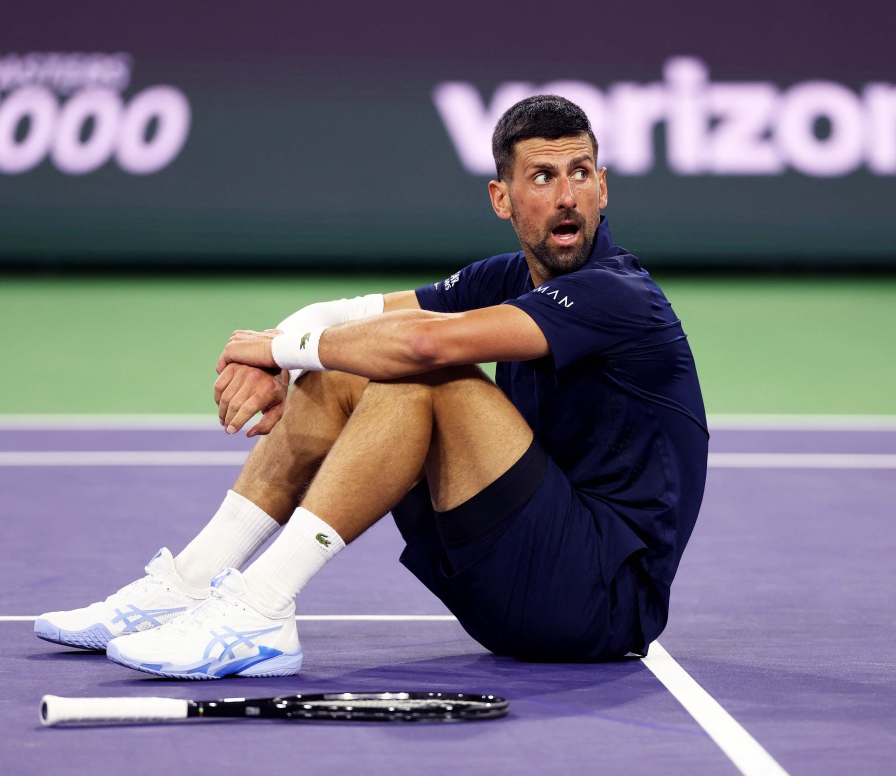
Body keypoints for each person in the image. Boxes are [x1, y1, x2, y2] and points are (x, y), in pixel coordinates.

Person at [35, 95, 708, 679]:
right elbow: (344, 316)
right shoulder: (504, 276)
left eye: (581, 174)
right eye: (543, 176)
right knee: (344, 364)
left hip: (599, 601)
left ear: (603, 188)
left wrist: (271, 351)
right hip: (510, 593)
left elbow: (419, 344)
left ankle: (261, 610)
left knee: (422, 375)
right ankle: (190, 584)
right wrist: (288, 357)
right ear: (502, 197)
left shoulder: (619, 296)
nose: (568, 196)